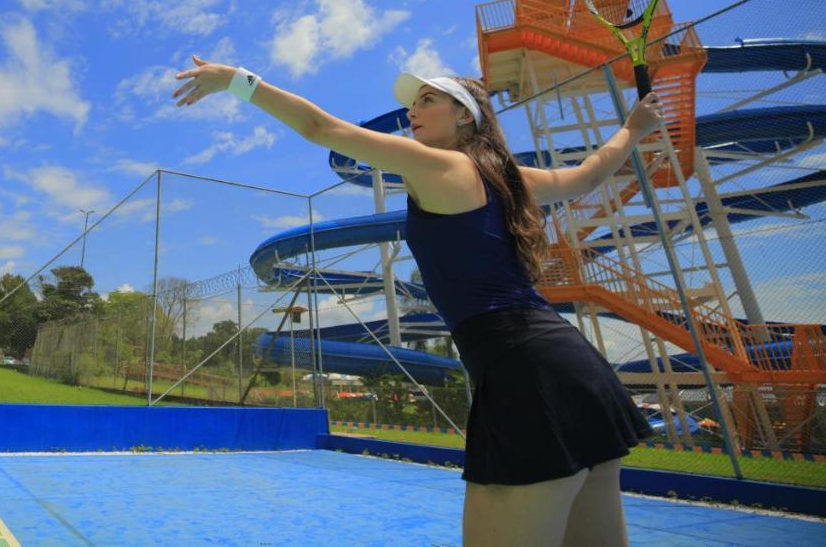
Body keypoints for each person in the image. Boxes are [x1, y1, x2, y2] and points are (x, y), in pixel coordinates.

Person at [172, 54, 662, 547]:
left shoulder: (439, 164)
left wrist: (238, 81)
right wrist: (634, 128)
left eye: (428, 100)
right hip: (577, 370)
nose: (413, 110)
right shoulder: (512, 178)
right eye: (413, 102)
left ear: (465, 116)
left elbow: (320, 127)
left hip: (525, 376)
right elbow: (592, 174)